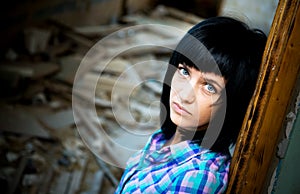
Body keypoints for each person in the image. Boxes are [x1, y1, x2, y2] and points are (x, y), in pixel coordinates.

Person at [115, 16, 267, 193]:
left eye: (209, 87)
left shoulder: (198, 176)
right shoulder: (164, 139)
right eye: (184, 71)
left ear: (231, 104)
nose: (185, 95)